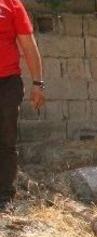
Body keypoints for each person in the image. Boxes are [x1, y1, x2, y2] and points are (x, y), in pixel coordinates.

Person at [0, 0, 43, 209]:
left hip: (7, 83)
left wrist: (38, 83)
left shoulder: (11, 4)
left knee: (6, 140)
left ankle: (4, 196)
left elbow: (28, 44)